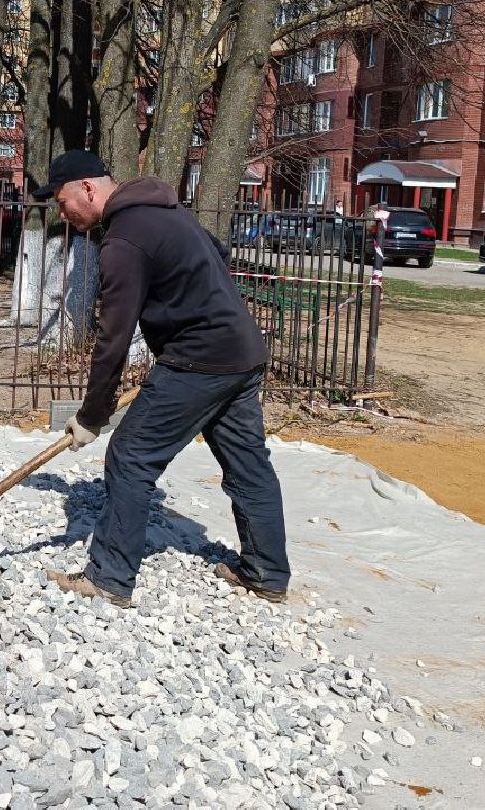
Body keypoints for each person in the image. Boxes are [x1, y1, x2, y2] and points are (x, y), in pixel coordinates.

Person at [31, 150, 290, 608]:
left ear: (88, 188)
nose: (63, 213)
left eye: (62, 200)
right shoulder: (169, 212)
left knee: (130, 456)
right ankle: (266, 571)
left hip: (198, 362)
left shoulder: (125, 238)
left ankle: (109, 577)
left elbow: (113, 338)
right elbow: (220, 252)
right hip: (242, 353)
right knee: (249, 464)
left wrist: (93, 416)